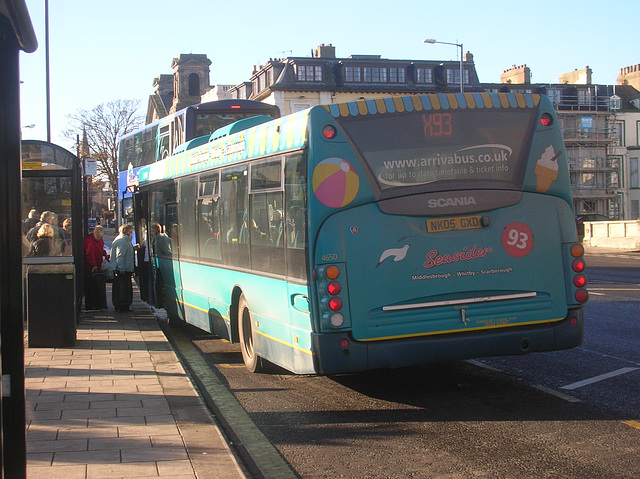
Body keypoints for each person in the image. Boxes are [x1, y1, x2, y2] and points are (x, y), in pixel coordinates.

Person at [109, 224, 136, 312]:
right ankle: (123, 304)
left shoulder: (123, 240)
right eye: (131, 232)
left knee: (122, 287)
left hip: (124, 268)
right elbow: (120, 256)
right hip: (123, 269)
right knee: (123, 288)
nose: (132, 234)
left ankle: (121, 304)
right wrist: (121, 268)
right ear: (127, 232)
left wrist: (134, 248)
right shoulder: (123, 241)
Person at [84, 225, 109, 310]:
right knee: (91, 286)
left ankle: (96, 303)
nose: (99, 239)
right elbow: (89, 255)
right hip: (90, 267)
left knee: (95, 285)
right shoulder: (89, 241)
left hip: (97, 265)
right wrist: (93, 265)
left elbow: (100, 249)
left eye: (100, 237)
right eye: (98, 237)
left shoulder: (99, 240)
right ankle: (92, 304)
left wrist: (105, 254)